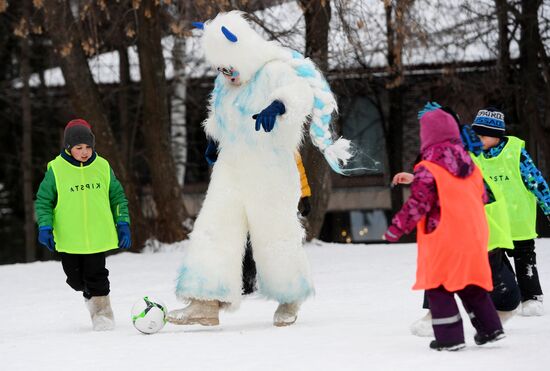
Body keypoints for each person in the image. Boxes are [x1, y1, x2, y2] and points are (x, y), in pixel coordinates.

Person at [167, 11, 353, 328]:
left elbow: (300, 94)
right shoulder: (226, 84)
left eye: (229, 66)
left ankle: (289, 296)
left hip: (271, 170)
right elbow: (219, 115)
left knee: (274, 234)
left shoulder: (273, 71)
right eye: (220, 69)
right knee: (213, 229)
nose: (226, 74)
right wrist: (214, 138)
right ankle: (204, 302)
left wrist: (278, 105)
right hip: (232, 167)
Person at [393, 104, 520, 338]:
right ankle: (489, 318)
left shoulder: (455, 149)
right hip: (479, 223)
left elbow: (447, 179)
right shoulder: (458, 149)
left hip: (476, 223)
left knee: (449, 270)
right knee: (465, 271)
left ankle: (490, 315)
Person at [35, 119, 131, 331]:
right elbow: (44, 201)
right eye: (79, 148)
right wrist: (45, 226)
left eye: (88, 147)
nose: (85, 152)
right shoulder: (56, 169)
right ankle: (89, 295)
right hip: (70, 237)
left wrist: (122, 222)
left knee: (97, 276)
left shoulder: (103, 166)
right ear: (69, 148)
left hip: (97, 236)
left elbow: (117, 197)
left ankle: (103, 315)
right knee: (75, 280)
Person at [470, 107, 550, 316]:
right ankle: (507, 296)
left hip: (518, 221)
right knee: (496, 265)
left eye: (483, 135)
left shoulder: (516, 153)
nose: (478, 139)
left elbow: (537, 183)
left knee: (525, 261)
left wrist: (548, 207)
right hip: (493, 224)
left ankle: (532, 297)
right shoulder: (473, 156)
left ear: (497, 136)